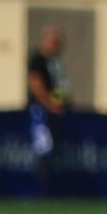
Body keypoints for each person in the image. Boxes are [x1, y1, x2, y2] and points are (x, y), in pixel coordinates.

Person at [27, 26, 71, 177]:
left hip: (53, 109)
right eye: (53, 42)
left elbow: (60, 86)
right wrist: (50, 104)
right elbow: (36, 85)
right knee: (43, 143)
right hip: (40, 110)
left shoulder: (55, 62)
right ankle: (40, 180)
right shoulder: (38, 60)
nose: (56, 46)